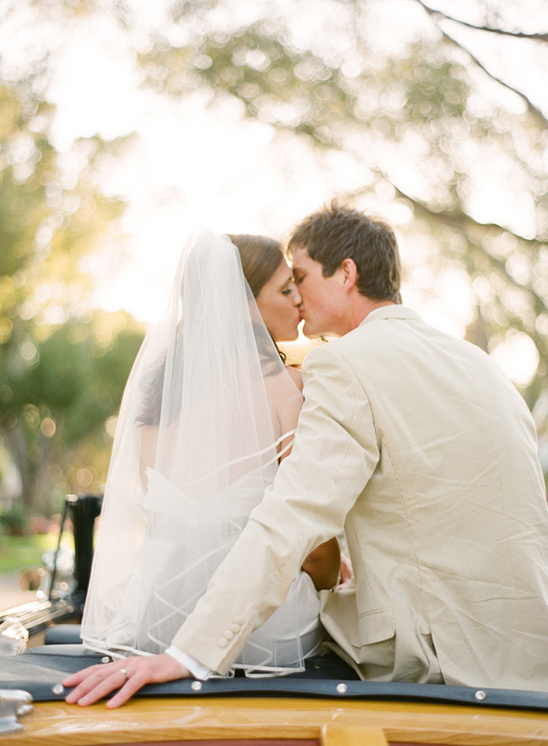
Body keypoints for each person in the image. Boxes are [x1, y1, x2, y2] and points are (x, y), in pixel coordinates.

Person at [65, 203, 548, 708]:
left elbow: (294, 513)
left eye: (300, 277)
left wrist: (188, 655)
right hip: (528, 651)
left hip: (440, 660)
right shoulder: (482, 366)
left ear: (346, 273)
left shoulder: (343, 362)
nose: (297, 297)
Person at [75, 230, 340, 692]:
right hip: (264, 633)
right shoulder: (290, 390)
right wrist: (333, 580)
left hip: (156, 619)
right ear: (241, 304)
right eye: (285, 289)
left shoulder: (155, 400)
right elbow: (315, 547)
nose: (299, 298)